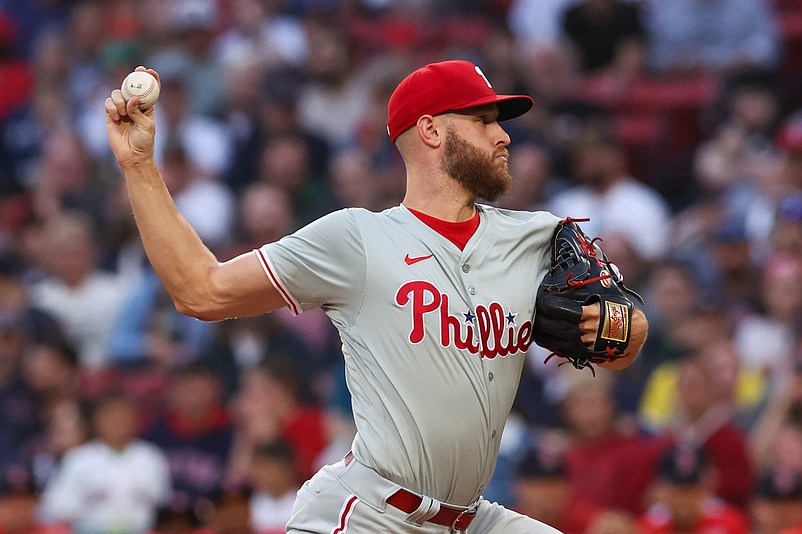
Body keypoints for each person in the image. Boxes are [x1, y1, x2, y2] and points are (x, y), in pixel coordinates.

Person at [105, 60, 648, 533]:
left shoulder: (537, 238)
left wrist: (621, 326)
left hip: (471, 517)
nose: (503, 136)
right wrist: (139, 166)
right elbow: (201, 291)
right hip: (370, 515)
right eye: (482, 121)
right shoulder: (356, 238)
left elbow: (628, 337)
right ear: (432, 131)